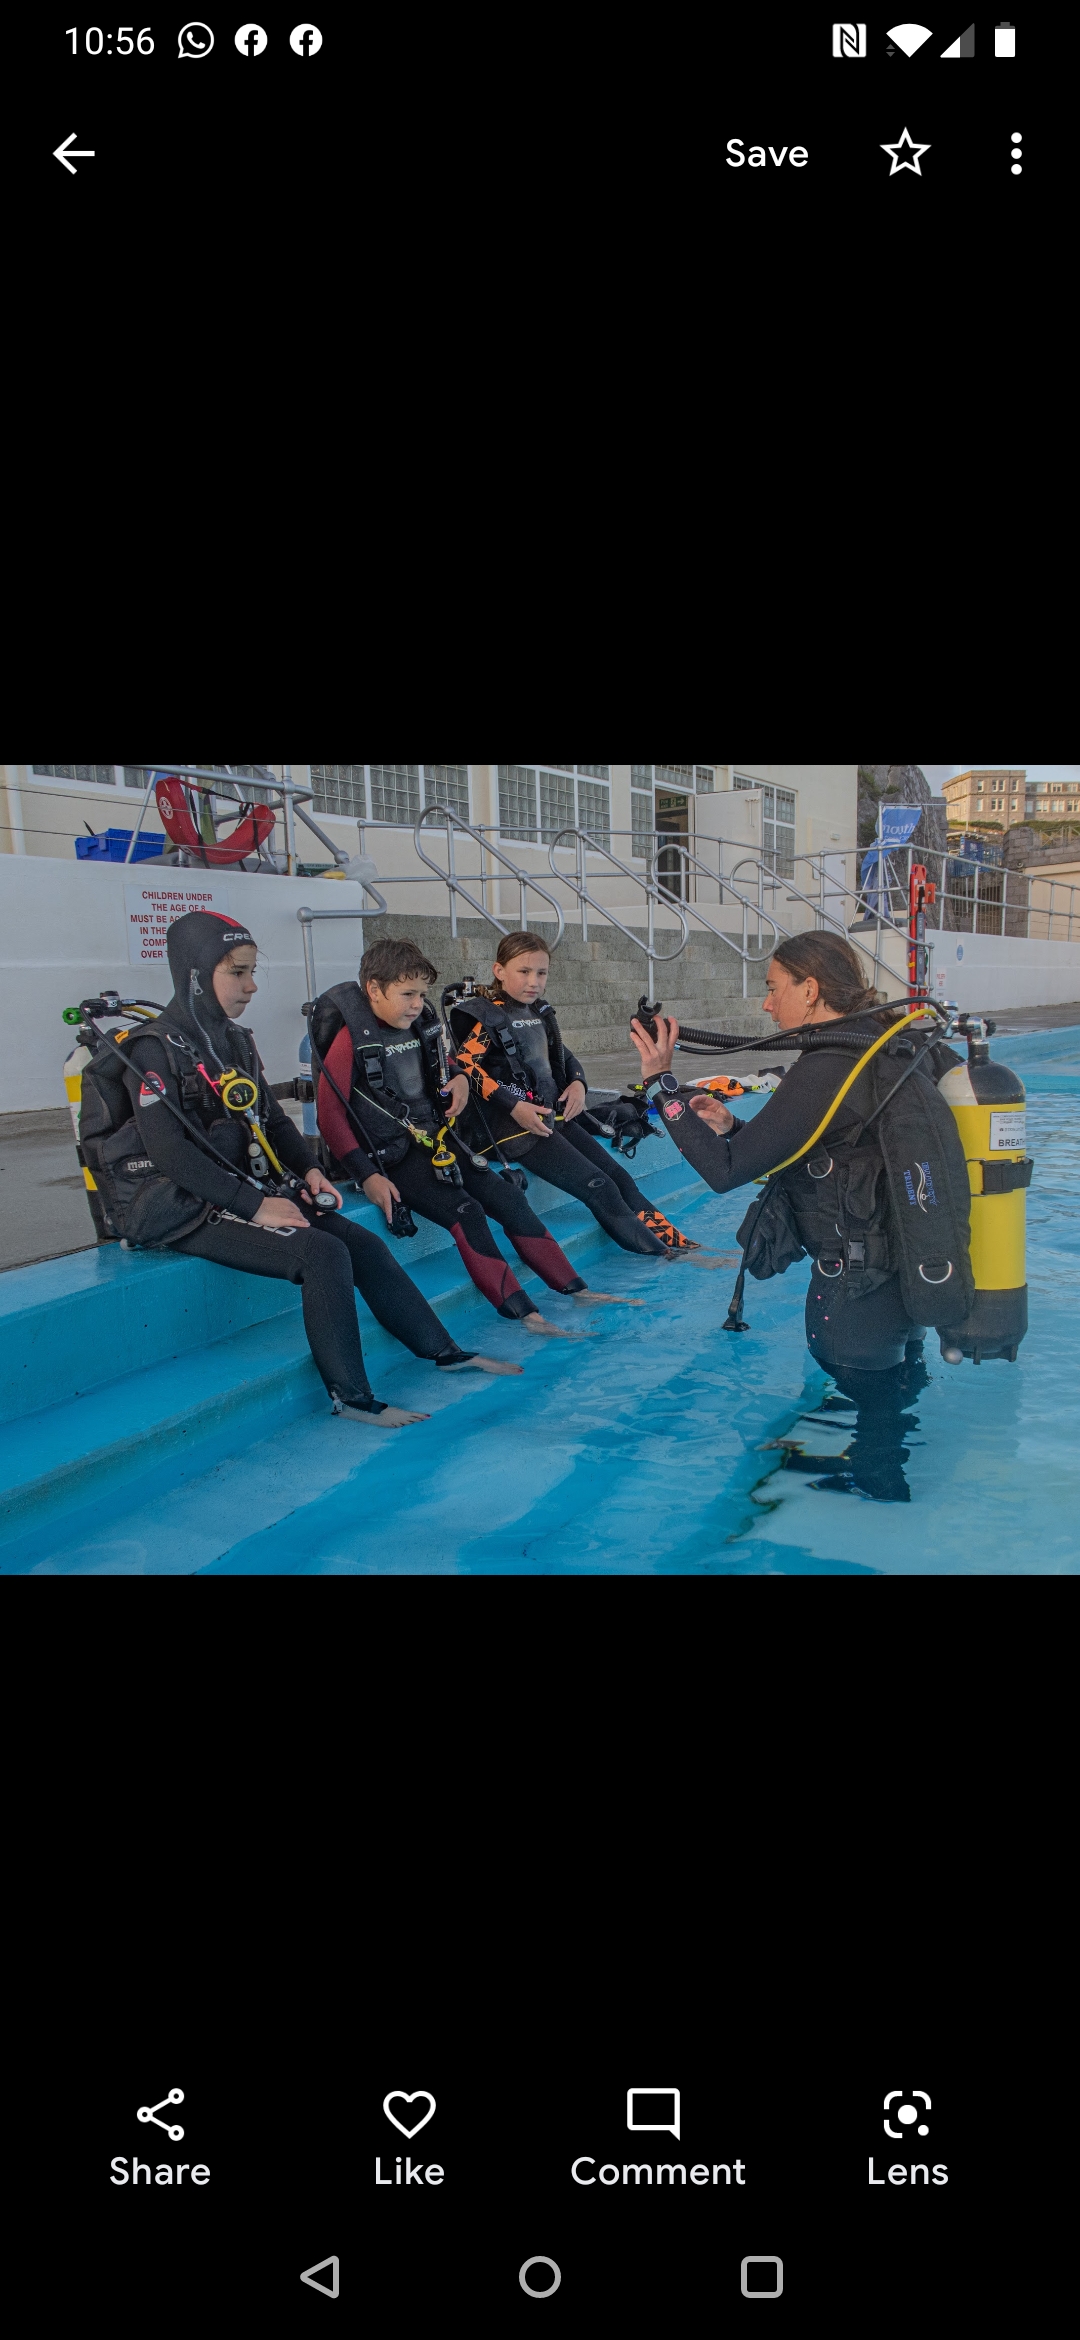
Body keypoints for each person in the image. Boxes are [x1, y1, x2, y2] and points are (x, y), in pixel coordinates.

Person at [121, 911, 518, 1430]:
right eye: (237, 972)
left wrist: (310, 1171)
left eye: (252, 970)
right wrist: (255, 1205)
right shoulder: (152, 1050)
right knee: (322, 1252)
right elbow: (170, 1153)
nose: (252, 985)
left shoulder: (235, 1041)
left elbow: (271, 1121)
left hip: (238, 1191)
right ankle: (350, 1396)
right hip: (181, 1206)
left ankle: (443, 1351)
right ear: (195, 974)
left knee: (366, 1245)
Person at [630, 931, 965, 1386]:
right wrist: (734, 1129)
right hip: (897, 1279)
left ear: (810, 990)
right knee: (892, 1402)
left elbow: (725, 1172)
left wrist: (660, 1084)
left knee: (869, 1420)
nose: (767, 1005)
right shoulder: (882, 1045)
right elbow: (836, 1155)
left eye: (772, 987)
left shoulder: (828, 1066)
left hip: (855, 1294)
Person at [314, 938, 642, 1334]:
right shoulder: (352, 1039)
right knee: (466, 1213)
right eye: (406, 994)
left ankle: (575, 1289)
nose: (417, 1004)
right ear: (374, 989)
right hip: (393, 1157)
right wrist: (367, 1174)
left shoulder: (421, 1023)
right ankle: (528, 1316)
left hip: (438, 1141)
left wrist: (458, 1080)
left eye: (421, 994)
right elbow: (329, 1117)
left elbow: (451, 1064)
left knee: (508, 1198)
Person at [447, 932, 697, 1259]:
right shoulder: (489, 1017)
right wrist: (514, 1106)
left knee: (620, 1178)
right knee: (600, 1185)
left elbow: (564, 1056)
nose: (533, 981)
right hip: (514, 1127)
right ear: (499, 970)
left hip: (552, 1116)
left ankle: (681, 1245)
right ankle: (667, 1257)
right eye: (523, 972)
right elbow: (464, 1065)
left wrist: (578, 1083)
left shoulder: (537, 1011)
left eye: (541, 973)